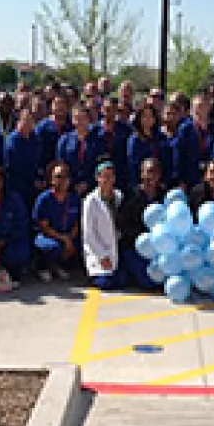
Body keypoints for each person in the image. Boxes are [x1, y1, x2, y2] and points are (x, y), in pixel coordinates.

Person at [82, 161, 136, 289]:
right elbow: (89, 234)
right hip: (99, 251)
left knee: (124, 281)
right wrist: (102, 256)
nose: (107, 180)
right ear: (97, 178)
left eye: (111, 176)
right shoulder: (91, 201)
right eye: (104, 176)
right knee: (107, 283)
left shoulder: (119, 196)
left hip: (116, 248)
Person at [118, 158, 166, 289]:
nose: (150, 176)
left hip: (158, 248)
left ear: (159, 175)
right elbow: (123, 225)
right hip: (134, 247)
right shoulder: (131, 196)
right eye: (147, 172)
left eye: (153, 172)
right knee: (148, 282)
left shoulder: (164, 196)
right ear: (141, 174)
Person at [32, 161, 81, 282]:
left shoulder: (74, 198)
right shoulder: (44, 199)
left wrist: (70, 238)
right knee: (52, 247)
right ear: (51, 180)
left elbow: (77, 223)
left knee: (82, 246)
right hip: (49, 235)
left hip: (68, 235)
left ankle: (58, 265)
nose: (63, 180)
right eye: (58, 176)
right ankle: (42, 267)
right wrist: (64, 239)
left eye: (66, 176)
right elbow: (44, 227)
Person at [57, 104, 104, 195]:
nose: (80, 122)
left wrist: (88, 183)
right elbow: (61, 164)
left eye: (83, 118)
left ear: (88, 119)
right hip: (69, 189)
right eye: (76, 118)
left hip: (94, 188)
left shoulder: (98, 140)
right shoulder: (64, 140)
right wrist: (72, 183)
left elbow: (101, 164)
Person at [4, 108, 43, 216]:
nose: (28, 124)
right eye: (25, 121)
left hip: (33, 188)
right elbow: (14, 166)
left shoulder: (35, 139)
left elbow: (38, 161)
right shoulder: (12, 141)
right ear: (18, 122)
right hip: (17, 186)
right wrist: (33, 180)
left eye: (30, 121)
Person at [174, 95, 214, 189]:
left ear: (209, 108)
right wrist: (180, 180)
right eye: (196, 107)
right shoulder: (185, 129)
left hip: (211, 178)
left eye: (202, 106)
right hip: (190, 178)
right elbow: (179, 154)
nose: (199, 110)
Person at [127, 105, 172, 187]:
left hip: (160, 184)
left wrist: (164, 182)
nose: (148, 119)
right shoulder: (134, 140)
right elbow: (132, 166)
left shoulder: (162, 138)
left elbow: (167, 161)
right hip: (141, 185)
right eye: (144, 116)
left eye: (150, 116)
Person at [97, 97, 132, 191]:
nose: (109, 113)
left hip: (120, 177)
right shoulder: (93, 130)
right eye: (106, 109)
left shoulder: (126, 130)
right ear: (101, 109)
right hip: (99, 176)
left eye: (113, 110)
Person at [34, 94, 72, 165]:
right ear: (51, 106)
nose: (60, 107)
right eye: (57, 103)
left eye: (63, 103)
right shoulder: (42, 127)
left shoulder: (73, 125)